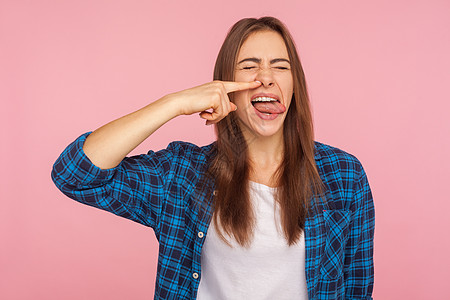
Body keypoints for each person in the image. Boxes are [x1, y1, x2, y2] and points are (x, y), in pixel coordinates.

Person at [51, 16, 374, 300]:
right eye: (249, 67)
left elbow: (358, 288)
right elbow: (74, 174)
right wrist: (174, 103)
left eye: (280, 66)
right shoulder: (183, 174)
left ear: (294, 85)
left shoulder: (343, 174)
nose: (266, 77)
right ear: (224, 85)